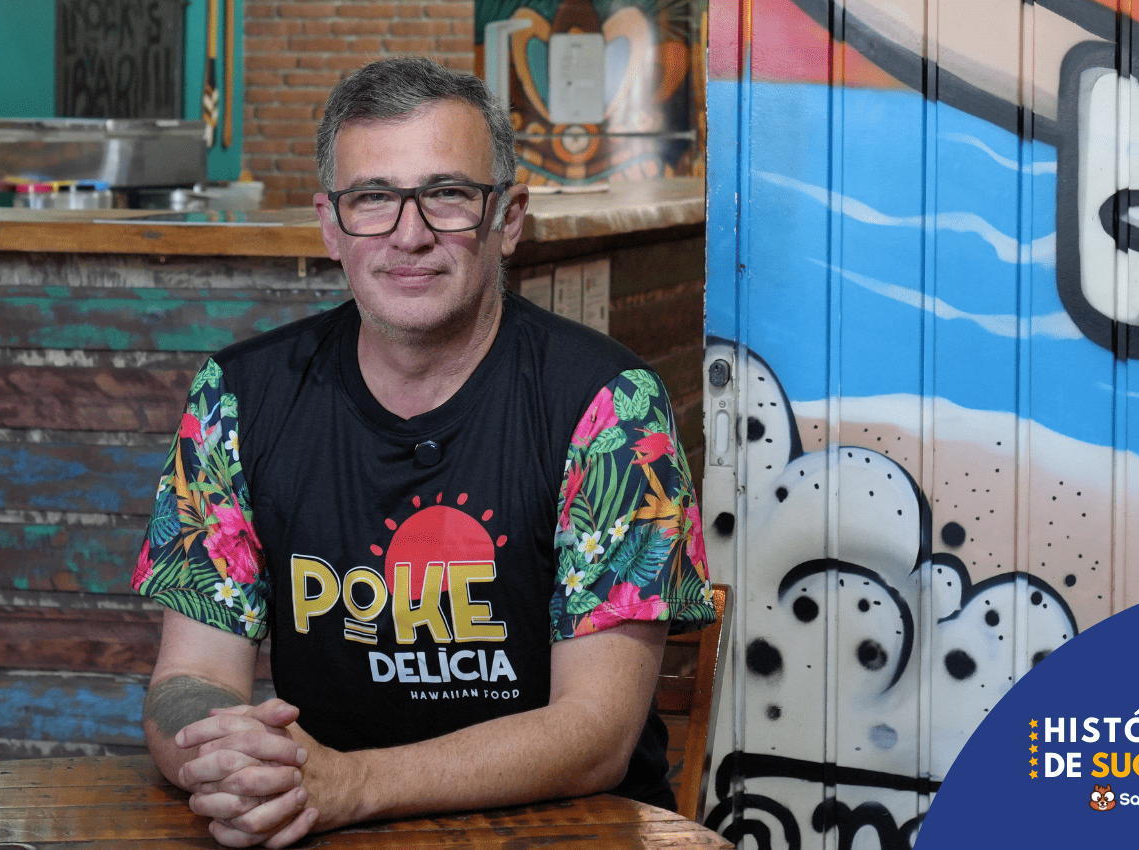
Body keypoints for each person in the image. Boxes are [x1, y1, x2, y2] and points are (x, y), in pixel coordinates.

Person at [130, 57, 715, 848]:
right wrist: (223, 756)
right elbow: (191, 676)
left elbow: (597, 732)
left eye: (447, 194)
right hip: (325, 832)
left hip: (564, 833)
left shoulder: (613, 409)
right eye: (372, 198)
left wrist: (352, 785)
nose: (410, 235)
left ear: (508, 217)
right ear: (330, 226)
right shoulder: (236, 398)